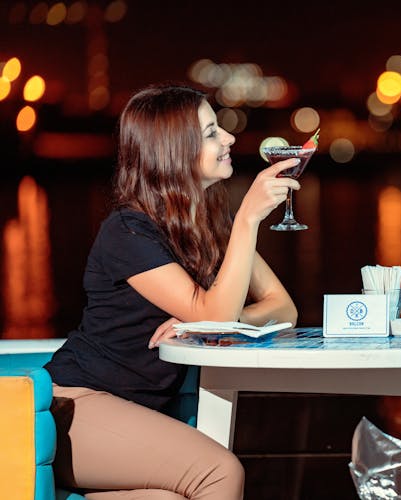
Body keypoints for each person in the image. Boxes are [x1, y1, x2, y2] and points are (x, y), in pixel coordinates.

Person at [45, 84, 300, 499]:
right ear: (173, 150)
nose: (230, 139)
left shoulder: (212, 226)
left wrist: (196, 326)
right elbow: (214, 312)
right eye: (212, 132)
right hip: (77, 407)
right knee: (219, 473)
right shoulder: (129, 230)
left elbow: (284, 309)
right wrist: (250, 218)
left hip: (138, 416)